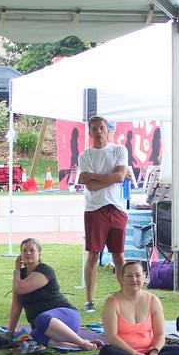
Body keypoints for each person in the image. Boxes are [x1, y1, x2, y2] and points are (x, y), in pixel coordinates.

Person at [6, 238, 98, 353]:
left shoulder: (45, 270)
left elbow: (20, 288)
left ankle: (83, 343)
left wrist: (16, 270)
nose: (28, 253)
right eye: (24, 251)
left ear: (39, 253)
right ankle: (71, 345)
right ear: (20, 255)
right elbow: (16, 306)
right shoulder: (19, 278)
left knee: (41, 319)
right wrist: (10, 333)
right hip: (44, 327)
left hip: (65, 316)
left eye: (32, 250)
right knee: (34, 334)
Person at [76, 115, 129, 314]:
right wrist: (111, 178)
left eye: (102, 128)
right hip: (94, 209)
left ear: (108, 131)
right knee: (93, 254)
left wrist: (94, 176)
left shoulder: (119, 150)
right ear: (90, 132)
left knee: (118, 255)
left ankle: (126, 294)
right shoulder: (85, 156)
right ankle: (89, 299)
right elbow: (90, 186)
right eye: (95, 129)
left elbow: (120, 176)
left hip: (116, 208)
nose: (99, 132)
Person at [98, 260, 179, 355]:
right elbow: (112, 337)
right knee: (107, 352)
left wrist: (154, 353)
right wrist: (135, 354)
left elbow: (160, 334)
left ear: (144, 277)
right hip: (124, 353)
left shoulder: (153, 300)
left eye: (137, 275)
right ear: (121, 279)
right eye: (129, 276)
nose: (134, 279)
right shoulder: (112, 302)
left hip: (149, 354)